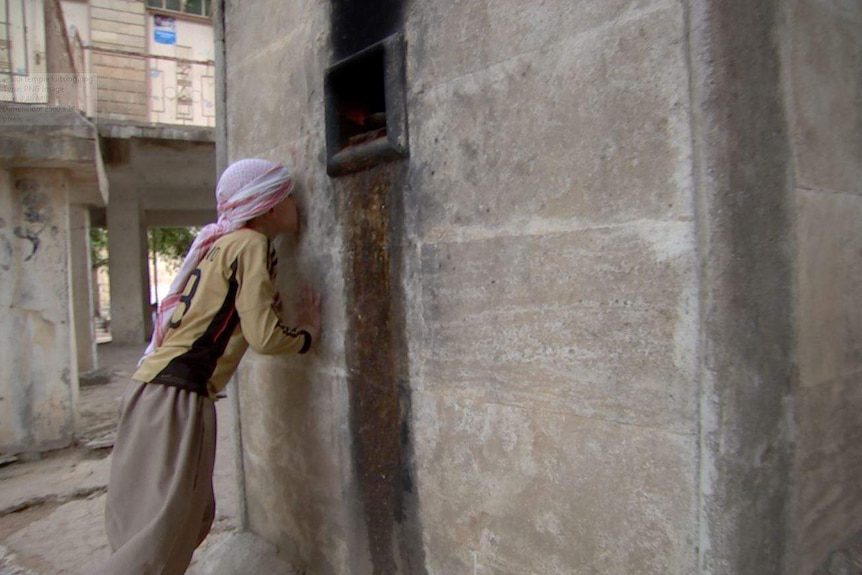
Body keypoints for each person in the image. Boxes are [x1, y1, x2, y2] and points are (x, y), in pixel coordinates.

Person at [93, 159, 321, 575]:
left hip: (151, 389)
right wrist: (306, 333)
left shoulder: (224, 243)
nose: (295, 204)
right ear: (268, 206)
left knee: (157, 521)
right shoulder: (251, 245)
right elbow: (265, 338)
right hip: (176, 396)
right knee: (161, 533)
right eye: (288, 196)